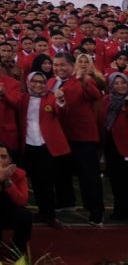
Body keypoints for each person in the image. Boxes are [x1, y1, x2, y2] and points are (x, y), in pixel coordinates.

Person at [50, 53, 104, 225]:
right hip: (59, 136)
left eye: (62, 65)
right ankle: (66, 201)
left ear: (72, 66)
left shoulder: (83, 79)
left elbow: (95, 95)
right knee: (61, 172)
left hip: (83, 137)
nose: (59, 68)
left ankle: (96, 211)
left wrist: (82, 80)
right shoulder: (51, 82)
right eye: (55, 65)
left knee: (89, 176)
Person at [19, 70, 68, 229]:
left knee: (46, 181)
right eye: (35, 81)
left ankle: (49, 214)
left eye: (41, 82)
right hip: (27, 145)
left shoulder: (51, 98)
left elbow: (60, 110)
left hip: (45, 146)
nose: (38, 85)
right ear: (28, 82)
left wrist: (60, 99)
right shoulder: (22, 98)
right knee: (34, 181)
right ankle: (41, 211)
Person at [100, 72, 128, 220]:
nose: (120, 86)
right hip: (110, 144)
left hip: (126, 145)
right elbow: (102, 120)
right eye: (116, 83)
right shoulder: (106, 100)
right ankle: (119, 210)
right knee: (116, 180)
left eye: (123, 83)